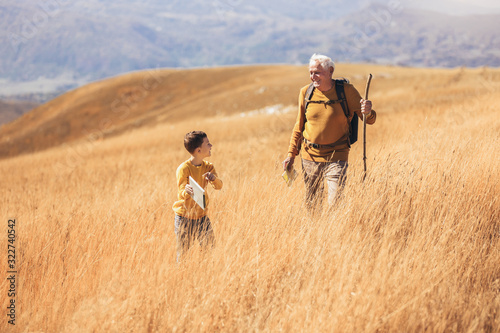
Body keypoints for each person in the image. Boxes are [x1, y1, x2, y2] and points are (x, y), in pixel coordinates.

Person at [282, 54, 376, 212]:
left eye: (317, 72)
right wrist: (291, 154)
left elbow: (369, 120)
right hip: (309, 157)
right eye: (311, 72)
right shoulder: (305, 93)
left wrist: (368, 111)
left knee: (335, 203)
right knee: (313, 206)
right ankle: (316, 235)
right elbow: (299, 126)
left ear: (331, 71)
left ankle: (334, 234)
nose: (313, 76)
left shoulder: (347, 91)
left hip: (337, 156)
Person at [172, 131, 223, 262]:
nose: (211, 145)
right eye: (208, 143)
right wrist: (186, 191)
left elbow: (219, 186)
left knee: (210, 250)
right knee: (183, 257)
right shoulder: (183, 168)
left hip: (202, 217)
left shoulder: (209, 167)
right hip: (184, 218)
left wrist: (213, 179)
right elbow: (181, 191)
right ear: (199, 150)